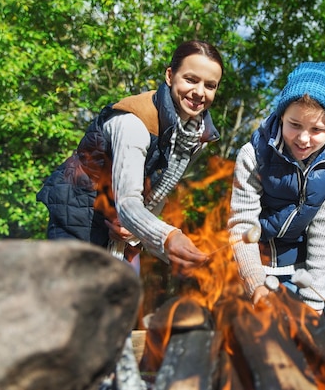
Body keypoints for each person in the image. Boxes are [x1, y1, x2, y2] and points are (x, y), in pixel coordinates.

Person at [37, 40, 224, 272]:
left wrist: (140, 235)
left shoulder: (193, 138)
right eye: (191, 79)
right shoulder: (134, 123)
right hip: (79, 223)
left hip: (119, 237)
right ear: (169, 76)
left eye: (210, 85)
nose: (199, 92)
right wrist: (168, 237)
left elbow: (156, 195)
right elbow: (127, 204)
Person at [227, 61, 325, 312]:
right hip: (250, 265)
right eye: (294, 125)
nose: (303, 139)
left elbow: (324, 232)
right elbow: (243, 225)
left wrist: (313, 304)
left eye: (317, 129)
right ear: (282, 116)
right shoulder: (253, 154)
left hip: (301, 272)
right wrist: (255, 284)